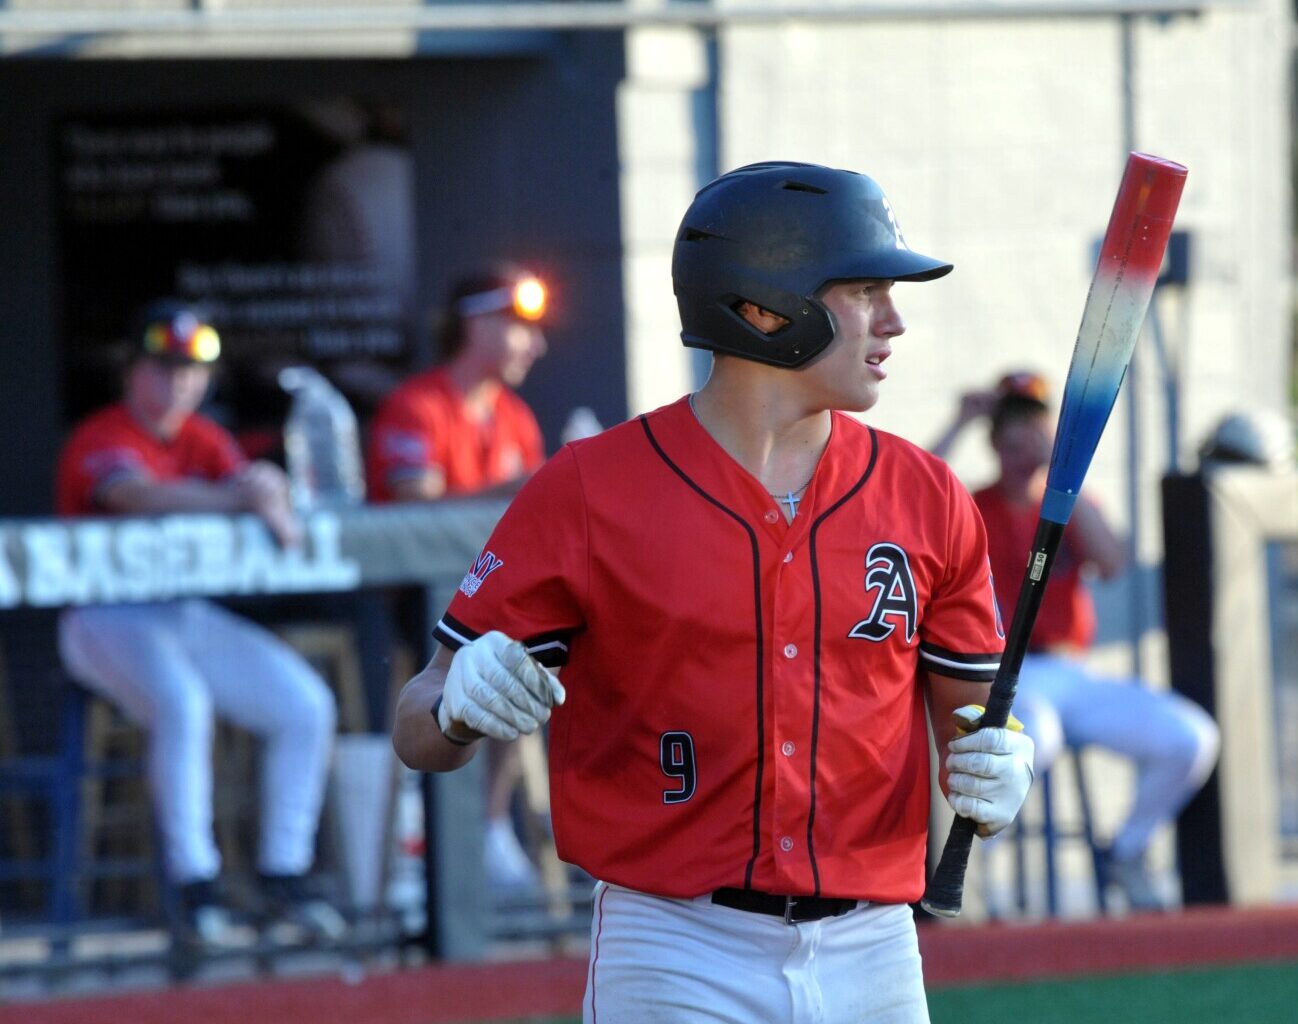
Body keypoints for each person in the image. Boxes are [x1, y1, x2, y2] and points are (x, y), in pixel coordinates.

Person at [394, 161, 1034, 1022]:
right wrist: (455, 705)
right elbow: (417, 724)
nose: (895, 321)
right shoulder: (591, 487)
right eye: (865, 291)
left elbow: (973, 720)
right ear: (766, 308)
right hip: (673, 944)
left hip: (874, 948)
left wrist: (1000, 766)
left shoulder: (929, 494)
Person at [55, 300, 347, 949]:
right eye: (164, 368)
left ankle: (283, 875)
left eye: (191, 371)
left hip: (179, 612)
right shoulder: (101, 434)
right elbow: (135, 498)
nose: (180, 382)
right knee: (183, 706)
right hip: (100, 614)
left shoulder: (200, 437)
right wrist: (237, 496)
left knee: (305, 704)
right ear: (132, 370)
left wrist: (264, 485)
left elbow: (254, 482)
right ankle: (196, 889)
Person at [932, 371, 1220, 912]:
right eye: (1012, 428)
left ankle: (1128, 851)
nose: (1024, 441)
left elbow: (1113, 561)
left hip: (1070, 671)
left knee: (1191, 737)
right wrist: (962, 420)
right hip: (1004, 675)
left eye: (1034, 427)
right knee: (1032, 736)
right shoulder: (972, 503)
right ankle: (973, 879)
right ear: (994, 439)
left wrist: (1066, 470)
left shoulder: (1067, 502)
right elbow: (911, 500)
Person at [368, 267, 551, 892]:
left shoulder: (515, 416)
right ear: (478, 324)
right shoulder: (416, 405)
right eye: (521, 327)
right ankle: (411, 851)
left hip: (489, 605)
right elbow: (413, 511)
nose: (536, 344)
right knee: (478, 656)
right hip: (408, 611)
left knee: (533, 659)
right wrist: (528, 485)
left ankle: (490, 827)